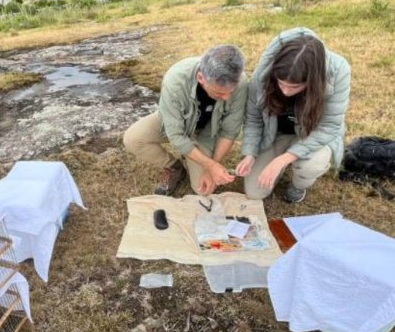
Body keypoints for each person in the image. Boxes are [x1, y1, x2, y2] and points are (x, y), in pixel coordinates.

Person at [236, 27, 350, 203]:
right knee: (254, 193)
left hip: (312, 133)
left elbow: (329, 126)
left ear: (313, 80)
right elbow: (253, 118)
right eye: (281, 84)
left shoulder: (339, 71)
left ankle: (298, 184)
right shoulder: (263, 73)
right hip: (275, 134)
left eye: (295, 87)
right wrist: (250, 152)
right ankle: (280, 158)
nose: (286, 92)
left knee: (311, 165)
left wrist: (282, 160)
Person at [123, 44, 247, 196]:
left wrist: (212, 166)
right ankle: (175, 167)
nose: (227, 97)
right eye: (218, 93)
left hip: (206, 133)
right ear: (201, 78)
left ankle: (194, 154)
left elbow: (229, 131)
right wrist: (210, 165)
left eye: (231, 92)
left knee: (203, 190)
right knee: (133, 139)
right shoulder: (175, 80)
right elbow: (176, 135)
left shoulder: (240, 82)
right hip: (178, 124)